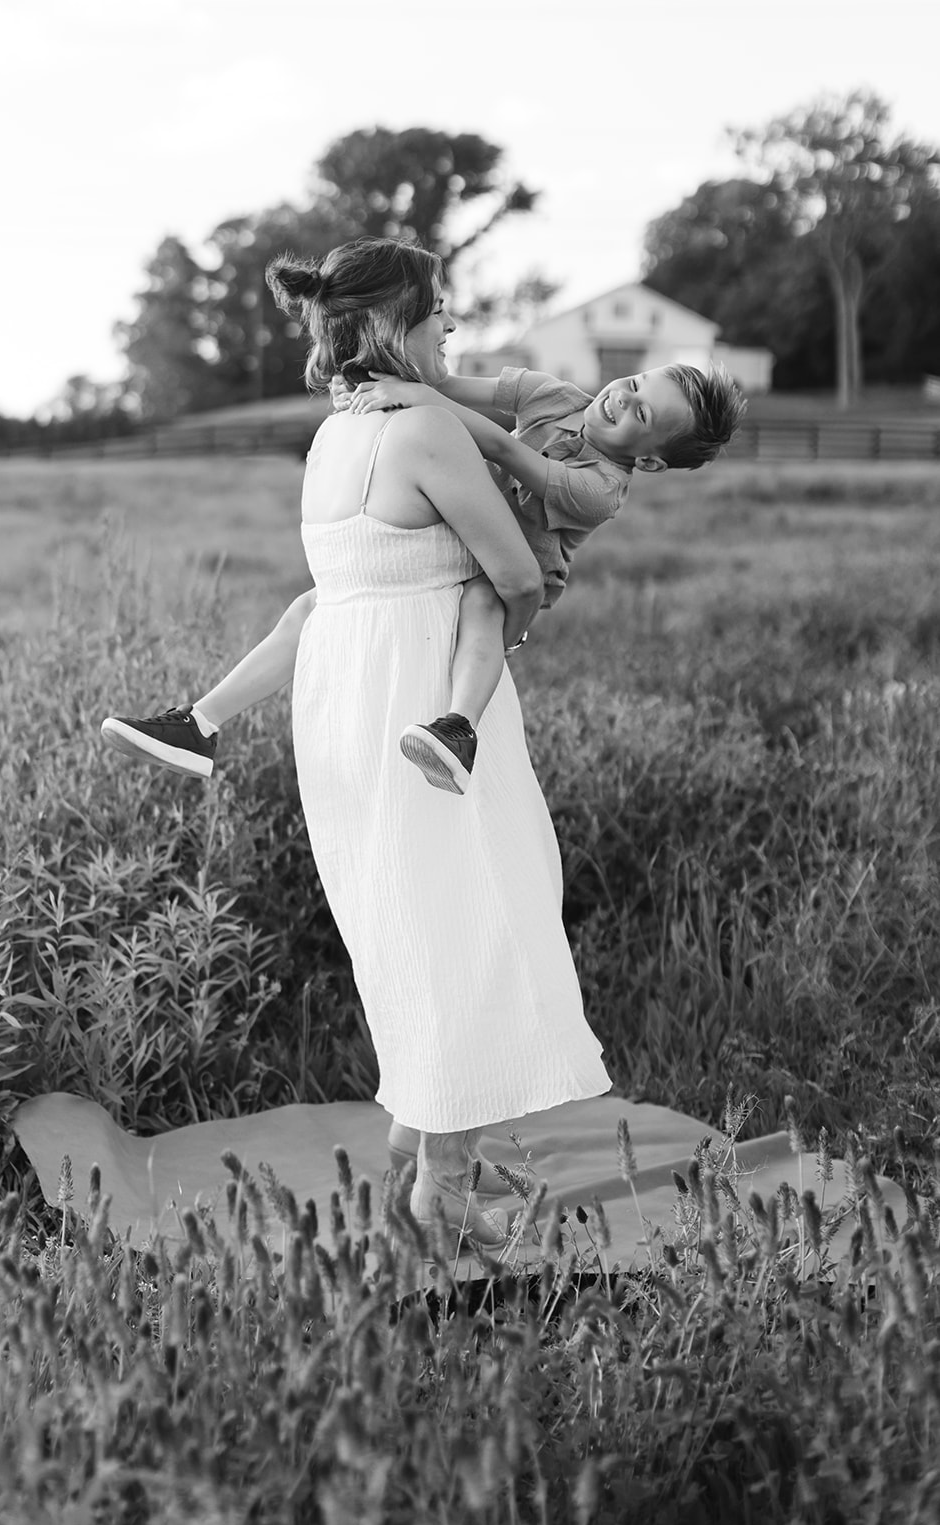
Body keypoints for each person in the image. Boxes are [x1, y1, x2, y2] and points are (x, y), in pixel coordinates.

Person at [112, 235, 614, 1242]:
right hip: (421, 691)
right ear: (392, 326)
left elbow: (332, 589)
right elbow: (514, 575)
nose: (453, 329)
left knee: (407, 918)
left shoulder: (334, 432)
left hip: (339, 688)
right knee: (470, 920)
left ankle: (421, 1139)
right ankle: (442, 1183)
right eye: (438, 315)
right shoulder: (424, 427)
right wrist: (513, 609)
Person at [100, 358, 746, 789]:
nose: (621, 400)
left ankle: (456, 728)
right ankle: (198, 725)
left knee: (481, 609)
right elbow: (448, 384)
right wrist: (371, 379)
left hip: (509, 569)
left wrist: (415, 398)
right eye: (634, 383)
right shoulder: (555, 396)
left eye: (642, 416)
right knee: (307, 608)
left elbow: (496, 445)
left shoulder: (602, 488)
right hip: (454, 531)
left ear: (653, 462)